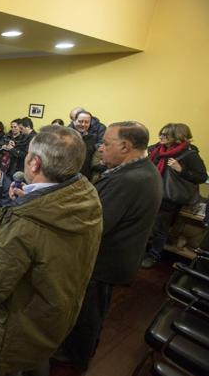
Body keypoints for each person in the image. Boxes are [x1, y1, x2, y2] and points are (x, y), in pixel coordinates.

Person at [0, 125, 103, 375]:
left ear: (34, 163)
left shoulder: (25, 224)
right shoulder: (86, 197)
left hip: (16, 328)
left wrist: (19, 214)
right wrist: (27, 201)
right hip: (54, 314)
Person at [56, 121, 162, 371]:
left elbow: (96, 223)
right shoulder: (141, 170)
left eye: (106, 143)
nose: (101, 148)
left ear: (125, 146)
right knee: (92, 309)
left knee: (88, 312)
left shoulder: (130, 180)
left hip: (105, 261)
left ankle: (75, 356)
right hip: (116, 256)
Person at [142, 123, 207, 268]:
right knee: (145, 223)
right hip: (149, 193)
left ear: (178, 137)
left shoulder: (190, 154)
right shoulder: (156, 149)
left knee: (160, 228)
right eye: (161, 134)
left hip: (168, 198)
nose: (161, 137)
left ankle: (153, 255)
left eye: (165, 135)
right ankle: (141, 250)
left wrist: (181, 169)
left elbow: (201, 177)